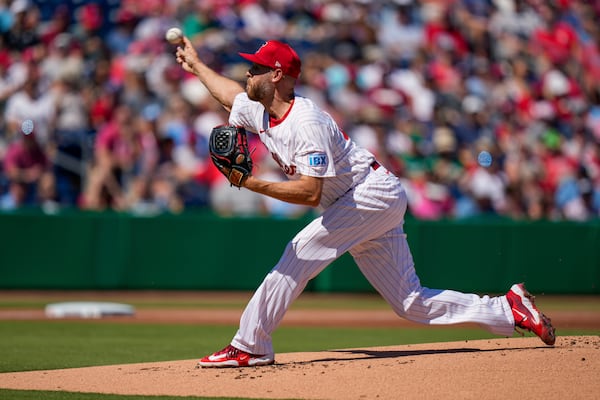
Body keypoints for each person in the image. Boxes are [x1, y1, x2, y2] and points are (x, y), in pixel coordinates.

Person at [174, 38, 556, 368]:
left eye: (255, 67)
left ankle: (250, 346)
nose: (247, 73)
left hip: (370, 195)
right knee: (410, 303)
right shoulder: (259, 110)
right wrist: (196, 66)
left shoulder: (306, 122)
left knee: (298, 253)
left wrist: (251, 183)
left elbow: (310, 193)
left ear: (275, 75)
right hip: (360, 202)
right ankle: (508, 308)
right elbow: (226, 93)